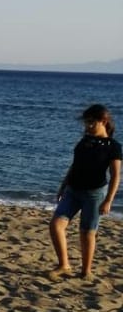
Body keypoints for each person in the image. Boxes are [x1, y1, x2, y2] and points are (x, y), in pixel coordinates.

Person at [49, 104, 120, 279]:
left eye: (91, 122)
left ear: (103, 121)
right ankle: (64, 265)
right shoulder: (84, 141)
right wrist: (63, 186)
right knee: (56, 225)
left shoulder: (113, 146)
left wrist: (108, 200)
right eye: (86, 123)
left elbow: (115, 175)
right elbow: (75, 165)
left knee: (87, 232)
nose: (88, 126)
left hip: (94, 194)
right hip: (73, 190)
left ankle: (86, 271)